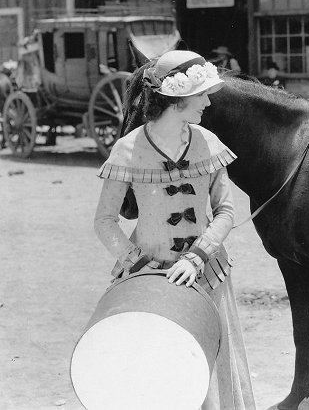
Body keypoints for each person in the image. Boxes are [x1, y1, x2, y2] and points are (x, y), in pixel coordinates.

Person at [93, 50, 255, 410]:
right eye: (202, 94)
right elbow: (104, 221)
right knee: (158, 371)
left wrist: (198, 256)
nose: (208, 102)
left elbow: (226, 210)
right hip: (148, 280)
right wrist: (137, 263)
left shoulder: (208, 143)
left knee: (208, 368)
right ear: (178, 100)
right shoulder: (127, 150)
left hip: (206, 274)